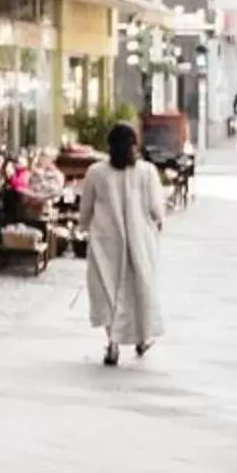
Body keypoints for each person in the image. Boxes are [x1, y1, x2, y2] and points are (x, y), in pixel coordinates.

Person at [82, 121, 165, 367]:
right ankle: (142, 337)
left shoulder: (96, 172)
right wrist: (159, 224)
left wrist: (83, 226)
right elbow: (156, 209)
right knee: (138, 289)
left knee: (109, 291)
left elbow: (85, 209)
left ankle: (112, 344)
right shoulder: (147, 172)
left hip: (105, 242)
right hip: (140, 242)